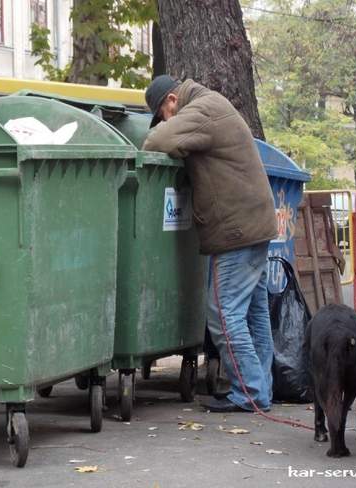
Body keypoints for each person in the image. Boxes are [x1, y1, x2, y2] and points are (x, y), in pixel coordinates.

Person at [142, 75, 278, 413]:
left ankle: (248, 393)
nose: (164, 120)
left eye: (163, 112)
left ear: (172, 100)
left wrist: (167, 133)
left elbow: (156, 142)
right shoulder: (213, 104)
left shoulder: (202, 109)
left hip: (235, 232)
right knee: (255, 314)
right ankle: (260, 390)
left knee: (224, 313)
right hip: (255, 224)